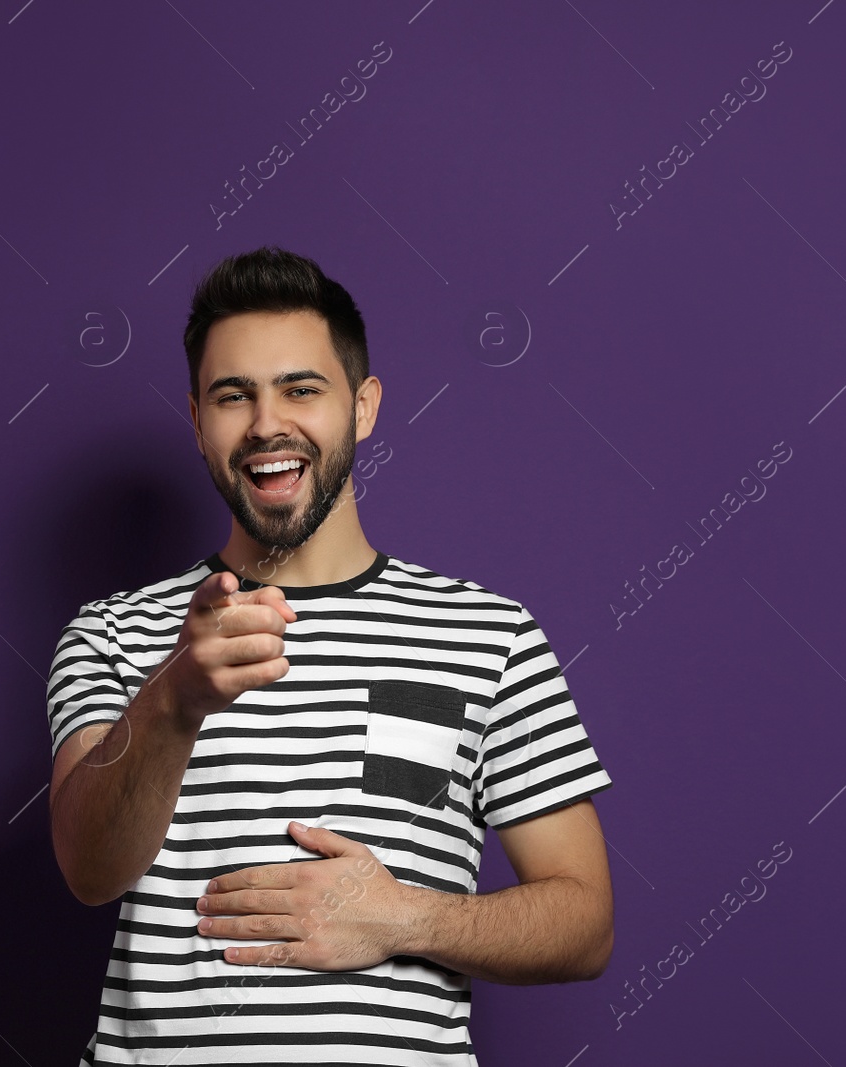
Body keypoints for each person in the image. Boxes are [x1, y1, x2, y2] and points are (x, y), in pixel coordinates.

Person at [46, 246, 614, 1065]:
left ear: (364, 405)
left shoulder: (489, 634)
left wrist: (404, 916)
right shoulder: (112, 635)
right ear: (198, 420)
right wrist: (175, 700)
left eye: (301, 389)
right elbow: (89, 870)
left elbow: (584, 921)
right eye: (232, 395)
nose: (268, 423)